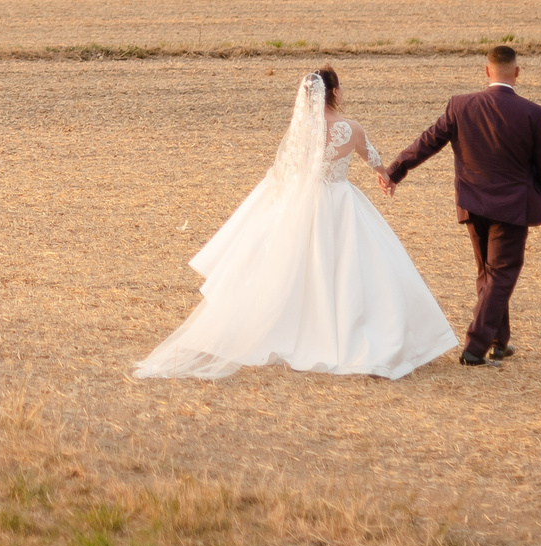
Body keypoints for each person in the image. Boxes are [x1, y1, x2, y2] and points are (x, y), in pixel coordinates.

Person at [133, 66, 458, 381]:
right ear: (335, 92)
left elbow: (284, 171)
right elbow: (372, 159)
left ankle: (294, 328)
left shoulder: (300, 131)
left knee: (298, 267)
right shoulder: (351, 129)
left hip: (304, 204)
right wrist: (386, 178)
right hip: (340, 202)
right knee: (351, 267)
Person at [380, 45, 541, 368]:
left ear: (487, 71)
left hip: (472, 204)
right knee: (501, 274)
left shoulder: (460, 105)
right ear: (517, 73)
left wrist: (395, 171)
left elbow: (428, 141)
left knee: (488, 275)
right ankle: (474, 349)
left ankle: (498, 341)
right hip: (512, 209)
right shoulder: (532, 113)